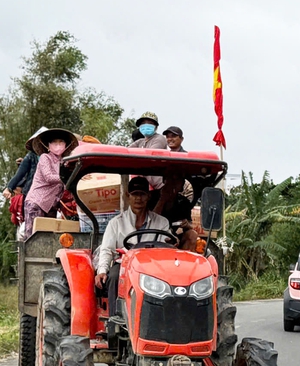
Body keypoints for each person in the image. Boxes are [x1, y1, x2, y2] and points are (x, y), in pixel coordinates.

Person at [94, 176, 172, 317]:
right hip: (125, 265)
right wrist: (102, 270)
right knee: (113, 276)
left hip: (152, 266)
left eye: (142, 194)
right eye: (135, 194)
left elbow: (165, 249)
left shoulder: (162, 223)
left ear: (148, 196)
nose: (138, 199)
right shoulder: (116, 223)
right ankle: (114, 320)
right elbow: (107, 249)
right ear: (128, 196)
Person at [22, 128, 78, 237]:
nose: (58, 145)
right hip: (37, 203)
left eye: (61, 142)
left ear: (65, 145)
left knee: (48, 237)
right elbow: (49, 177)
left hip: (51, 206)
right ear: (48, 145)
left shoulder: (65, 162)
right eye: (54, 142)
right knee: (32, 237)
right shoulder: (45, 158)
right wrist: (67, 178)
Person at [151, 169, 198, 250]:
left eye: (177, 180)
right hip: (152, 236)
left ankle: (184, 261)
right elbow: (150, 221)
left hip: (174, 238)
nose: (173, 184)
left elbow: (190, 224)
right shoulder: (152, 197)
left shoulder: (183, 202)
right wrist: (162, 200)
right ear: (164, 181)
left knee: (192, 235)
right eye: (170, 179)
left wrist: (187, 225)